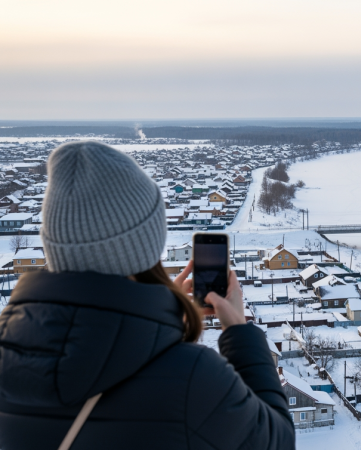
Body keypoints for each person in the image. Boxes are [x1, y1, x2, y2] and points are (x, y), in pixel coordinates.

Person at [0, 142, 295, 449]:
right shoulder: (193, 379)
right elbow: (278, 441)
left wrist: (155, 324)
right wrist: (238, 332)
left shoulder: (8, 359)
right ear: (146, 245)